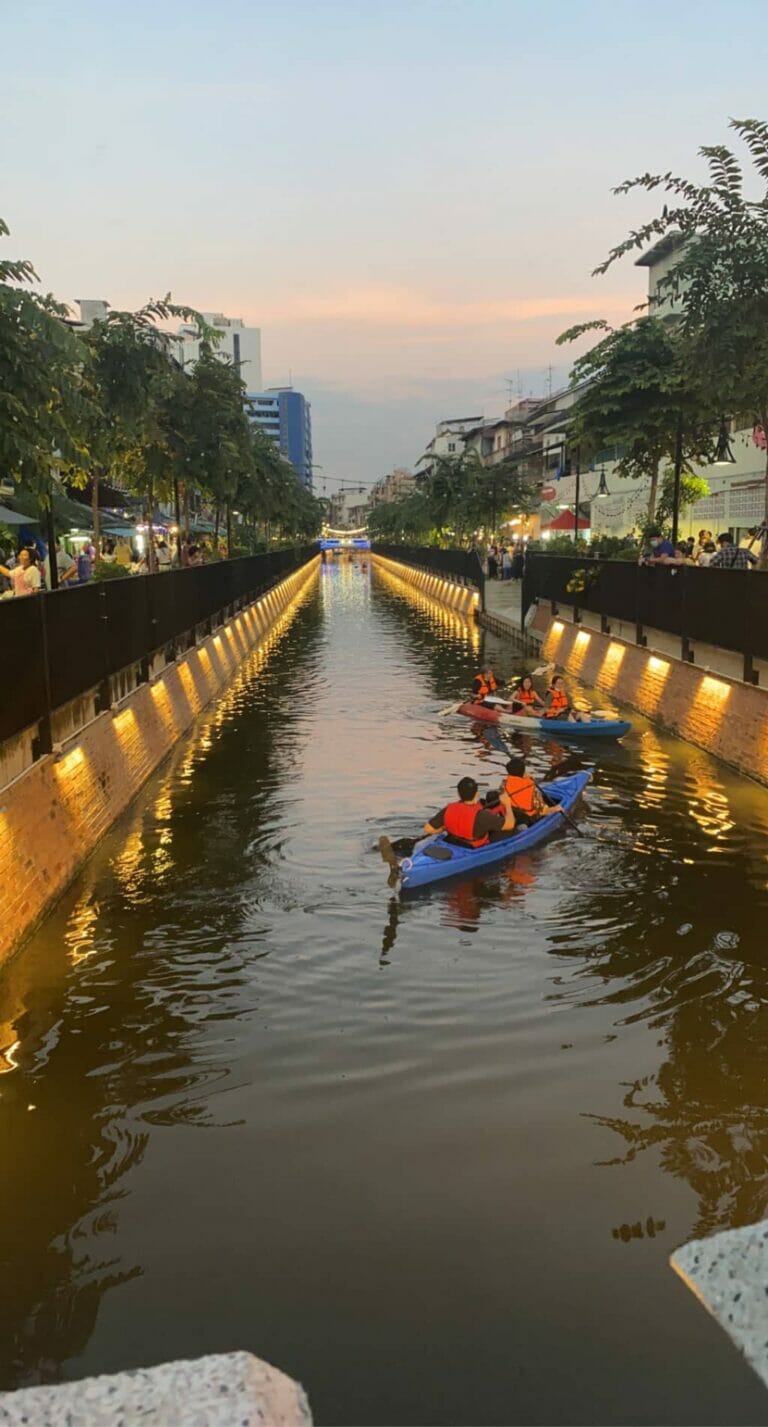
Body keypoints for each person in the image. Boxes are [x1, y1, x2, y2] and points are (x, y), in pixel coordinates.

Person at [423, 776, 516, 847]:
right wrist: (507, 804)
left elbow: (428, 829)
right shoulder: (483, 815)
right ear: (477, 793)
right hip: (473, 847)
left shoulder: (448, 809)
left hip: (454, 842)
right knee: (517, 829)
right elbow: (510, 825)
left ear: (458, 793)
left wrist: (446, 826)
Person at [501, 756, 559, 826]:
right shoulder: (530, 785)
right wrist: (555, 809)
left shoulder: (504, 784)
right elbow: (542, 810)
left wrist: (526, 777)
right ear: (523, 771)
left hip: (513, 814)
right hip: (528, 818)